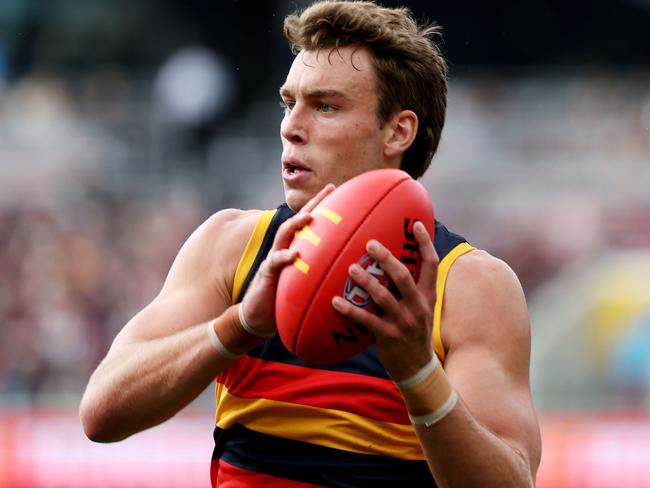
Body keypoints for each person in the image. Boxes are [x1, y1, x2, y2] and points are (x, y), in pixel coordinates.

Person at [80, 1, 542, 486]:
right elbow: (101, 413)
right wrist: (237, 327)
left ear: (398, 130)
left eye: (325, 106)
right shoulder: (233, 246)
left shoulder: (470, 286)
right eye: (288, 102)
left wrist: (417, 372)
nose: (290, 127)